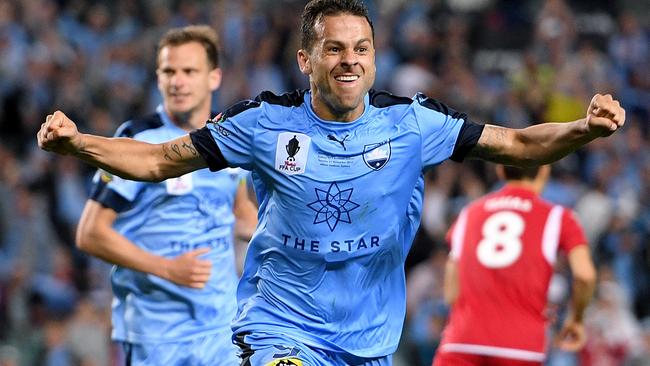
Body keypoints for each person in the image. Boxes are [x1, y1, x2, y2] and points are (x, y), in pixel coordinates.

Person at [37, 0, 625, 364]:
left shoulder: (412, 123)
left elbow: (520, 143)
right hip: (281, 327)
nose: (350, 59)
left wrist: (585, 129)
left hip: (369, 339)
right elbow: (158, 160)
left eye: (361, 48)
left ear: (374, 57)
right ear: (305, 59)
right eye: (335, 48)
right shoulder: (261, 124)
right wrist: (79, 143)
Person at [74, 25, 258, 366]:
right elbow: (90, 233)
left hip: (221, 330)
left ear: (214, 77)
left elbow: (243, 218)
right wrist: (167, 269)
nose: (177, 82)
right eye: (168, 71)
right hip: (156, 336)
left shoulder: (230, 140)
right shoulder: (137, 140)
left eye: (189, 71)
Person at [433, 164, 596, 366]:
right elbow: (584, 275)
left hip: (462, 341)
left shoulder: (469, 213)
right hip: (520, 346)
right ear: (545, 169)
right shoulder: (558, 217)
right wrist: (576, 319)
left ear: (500, 171)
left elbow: (451, 292)